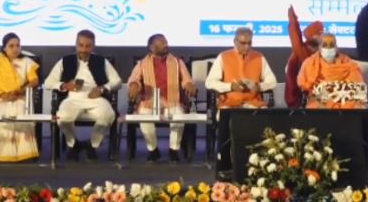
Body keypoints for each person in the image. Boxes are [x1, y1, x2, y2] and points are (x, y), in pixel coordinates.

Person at [204, 27, 277, 179]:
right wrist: (230, 86)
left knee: (265, 122)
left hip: (253, 103)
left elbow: (272, 81)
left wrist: (259, 86)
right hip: (229, 103)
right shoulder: (224, 57)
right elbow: (209, 83)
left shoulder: (259, 57)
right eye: (243, 43)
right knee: (227, 120)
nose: (247, 46)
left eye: (249, 43)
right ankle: (226, 166)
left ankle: (261, 164)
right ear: (235, 42)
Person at [44, 29, 122, 161]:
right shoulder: (65, 61)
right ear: (76, 44)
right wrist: (64, 85)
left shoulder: (102, 61)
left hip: (96, 98)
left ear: (93, 46)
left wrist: (102, 88)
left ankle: (92, 145)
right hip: (73, 98)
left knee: (108, 115)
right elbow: (48, 83)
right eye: (81, 45)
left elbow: (117, 81)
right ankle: (73, 144)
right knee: (62, 118)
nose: (84, 50)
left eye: (88, 46)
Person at [128, 34, 197, 162]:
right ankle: (153, 150)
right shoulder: (142, 63)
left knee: (178, 115)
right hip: (150, 102)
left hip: (172, 101)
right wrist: (134, 86)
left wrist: (189, 84)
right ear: (152, 47)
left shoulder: (177, 62)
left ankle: (173, 150)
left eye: (166, 42)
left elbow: (187, 79)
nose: (166, 44)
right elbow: (134, 80)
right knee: (144, 116)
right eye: (162, 42)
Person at [0, 33, 40, 162]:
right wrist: (2, 95)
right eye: (11, 46)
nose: (16, 48)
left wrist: (21, 91)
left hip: (19, 96)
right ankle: (5, 152)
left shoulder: (26, 62)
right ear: (4, 47)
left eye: (18, 45)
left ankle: (24, 153)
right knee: (1, 112)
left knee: (20, 109)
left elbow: (34, 81)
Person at [298, 33, 367, 109]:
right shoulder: (309, 63)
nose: (328, 48)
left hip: (345, 100)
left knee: (356, 107)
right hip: (320, 101)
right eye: (324, 45)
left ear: (336, 47)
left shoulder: (348, 63)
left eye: (331, 45)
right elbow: (306, 86)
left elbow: (358, 86)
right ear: (319, 47)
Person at [285, 5, 323, 108]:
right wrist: (293, 19)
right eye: (320, 33)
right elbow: (295, 34)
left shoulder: (321, 51)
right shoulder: (301, 51)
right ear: (312, 36)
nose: (323, 36)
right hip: (298, 99)